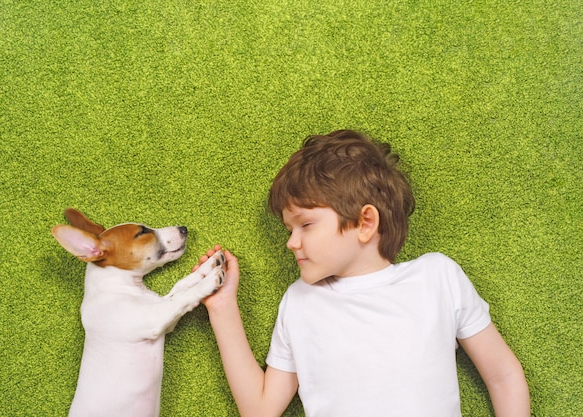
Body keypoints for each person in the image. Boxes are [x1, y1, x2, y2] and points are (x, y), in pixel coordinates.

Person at [197, 130, 530, 417]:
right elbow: (260, 409)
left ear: (365, 223)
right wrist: (223, 308)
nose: (292, 243)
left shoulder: (436, 277)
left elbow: (503, 375)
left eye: (306, 225)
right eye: (288, 229)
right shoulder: (301, 301)